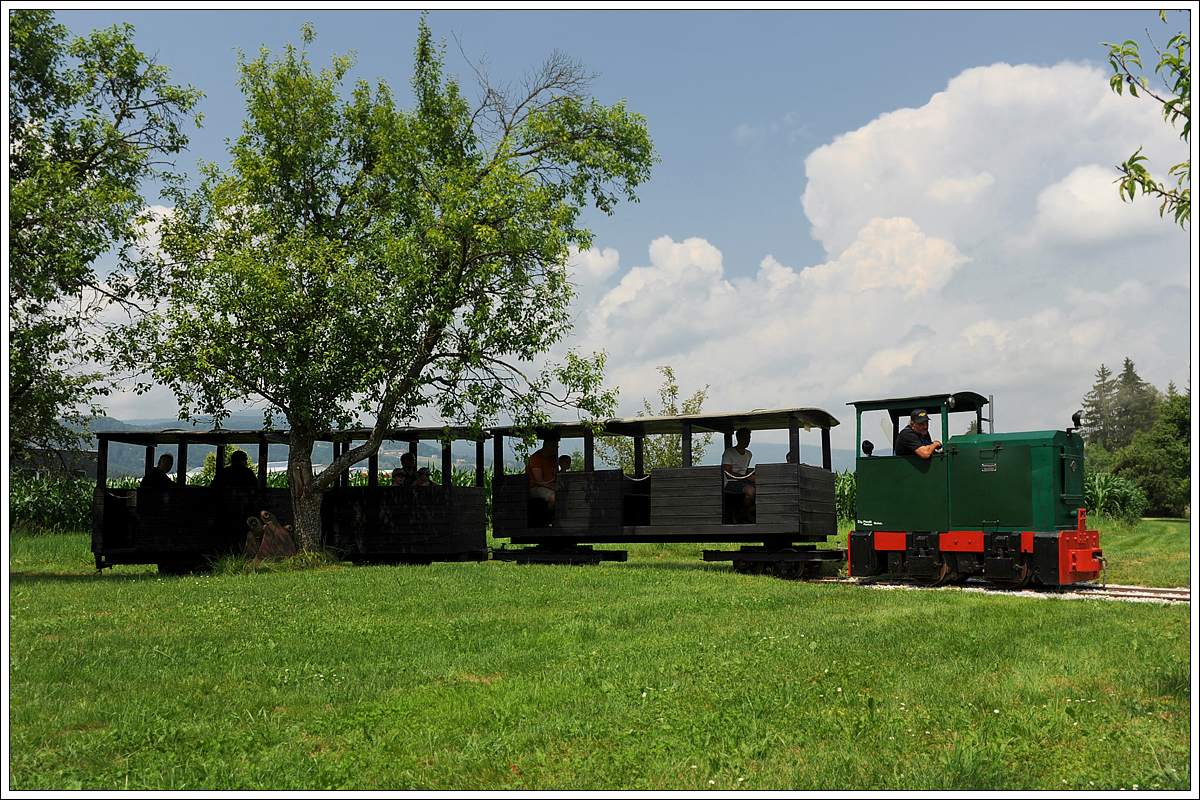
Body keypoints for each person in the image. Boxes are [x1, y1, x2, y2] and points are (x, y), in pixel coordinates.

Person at [722, 427, 756, 513]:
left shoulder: (749, 454)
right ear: (738, 438)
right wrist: (748, 478)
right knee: (750, 491)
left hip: (743, 481)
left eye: (749, 438)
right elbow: (728, 474)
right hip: (730, 482)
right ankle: (741, 512)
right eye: (745, 437)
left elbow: (744, 469)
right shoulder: (729, 452)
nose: (747, 440)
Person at [526, 435, 559, 513]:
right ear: (547, 445)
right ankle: (548, 517)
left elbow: (556, 475)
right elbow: (539, 481)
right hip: (535, 487)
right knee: (554, 497)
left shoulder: (552, 459)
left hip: (549, 486)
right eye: (555, 446)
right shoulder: (536, 458)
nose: (556, 448)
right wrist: (555, 488)